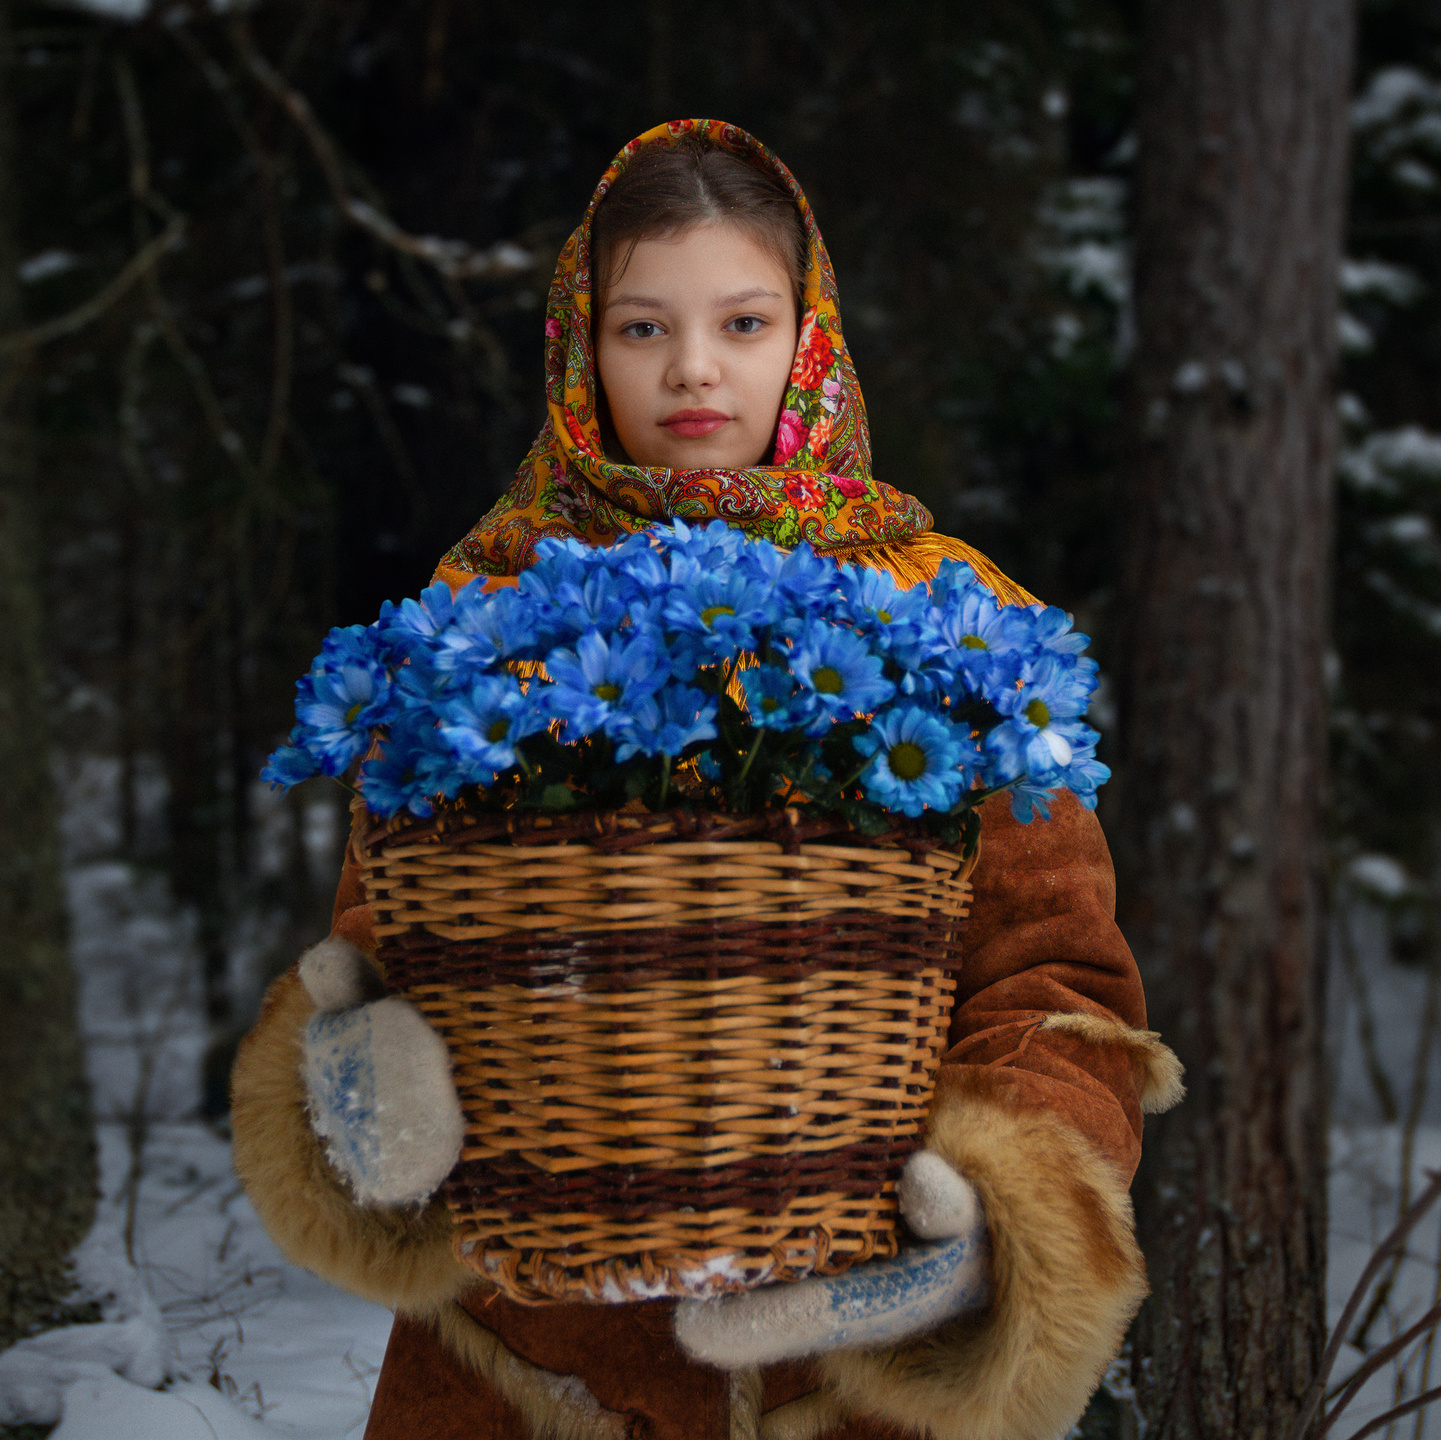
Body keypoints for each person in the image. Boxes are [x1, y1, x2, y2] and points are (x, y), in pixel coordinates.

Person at [230, 119, 1184, 1440]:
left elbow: (1054, 975)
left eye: (741, 323)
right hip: (529, 1366)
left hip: (850, 1361)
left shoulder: (941, 610)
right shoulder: (487, 603)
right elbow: (391, 931)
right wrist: (359, 1076)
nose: (692, 371)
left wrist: (986, 1226)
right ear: (579, 346)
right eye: (640, 328)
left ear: (810, 338)